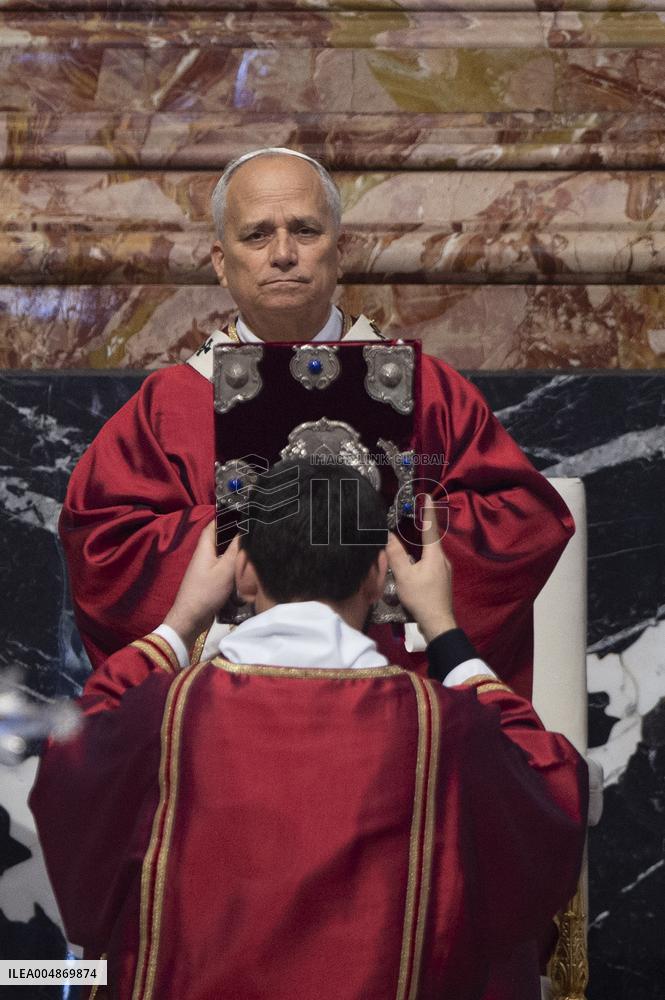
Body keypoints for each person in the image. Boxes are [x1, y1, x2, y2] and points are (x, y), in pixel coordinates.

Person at [32, 462, 588, 1000]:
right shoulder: (439, 726)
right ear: (378, 577)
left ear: (243, 573)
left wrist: (180, 621)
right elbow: (552, 788)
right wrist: (443, 627)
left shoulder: (166, 714)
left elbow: (70, 761)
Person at [58, 146, 574, 699]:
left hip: (398, 701)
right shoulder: (169, 406)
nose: (283, 254)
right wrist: (267, 534)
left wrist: (379, 542)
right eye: (257, 235)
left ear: (340, 249)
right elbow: (103, 546)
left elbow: (523, 524)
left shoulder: (429, 391)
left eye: (304, 230)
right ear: (219, 260)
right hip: (224, 707)